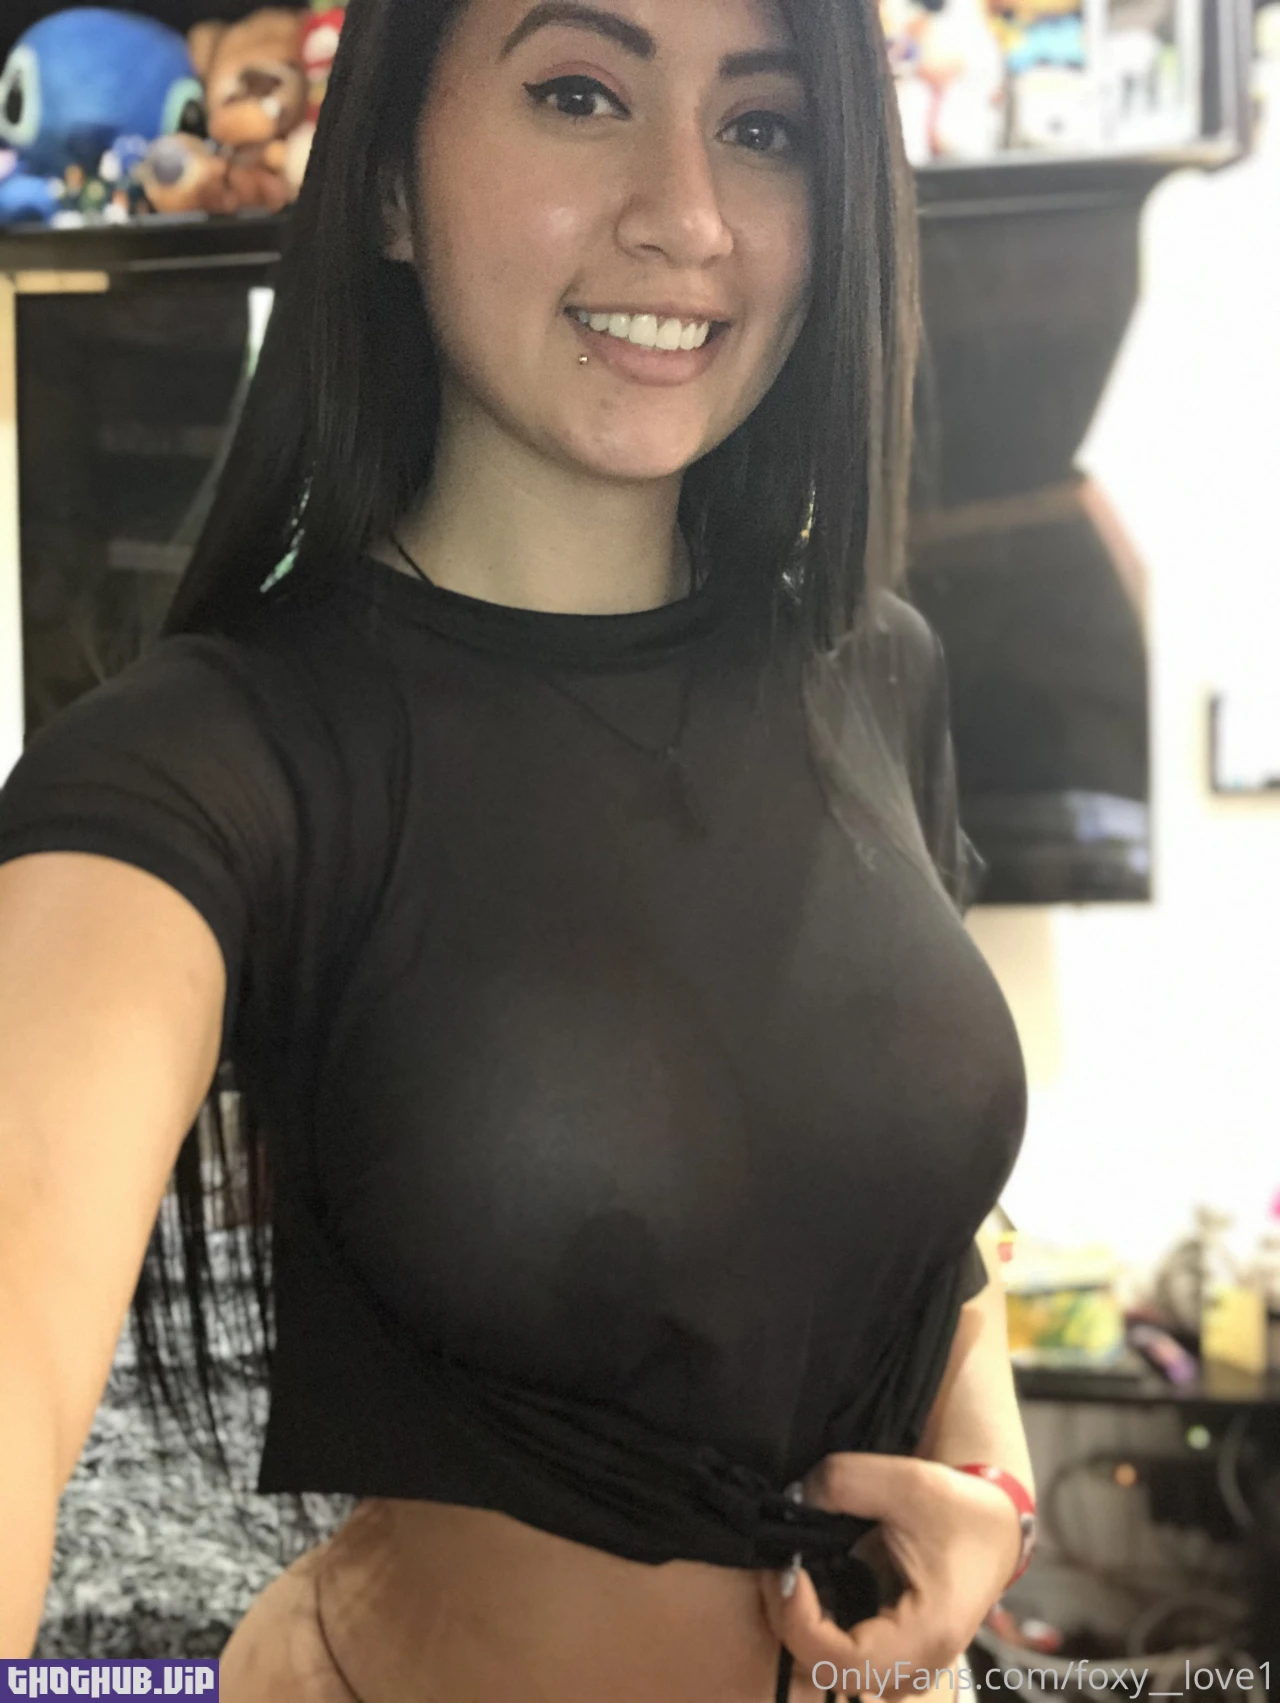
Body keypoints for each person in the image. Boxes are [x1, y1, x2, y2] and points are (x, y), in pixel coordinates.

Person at [0, 0, 1035, 1697]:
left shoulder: (878, 669)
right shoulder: (223, 758)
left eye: (763, 128)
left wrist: (988, 1479)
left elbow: (920, 1196)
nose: (688, 215)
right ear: (387, 185)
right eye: (578, 92)